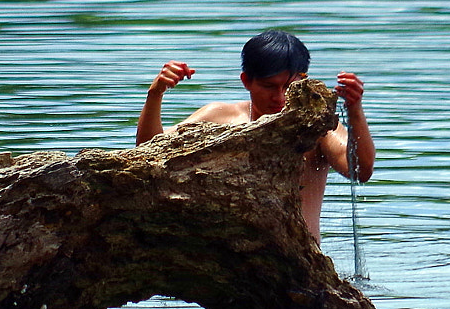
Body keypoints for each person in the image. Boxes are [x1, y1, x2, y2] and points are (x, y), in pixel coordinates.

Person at [135, 29, 373, 241]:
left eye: (288, 88)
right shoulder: (220, 118)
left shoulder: (316, 128)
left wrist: (355, 110)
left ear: (304, 82)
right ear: (247, 81)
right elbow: (149, 152)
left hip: (299, 266)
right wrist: (156, 93)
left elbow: (360, 170)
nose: (279, 98)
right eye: (269, 87)